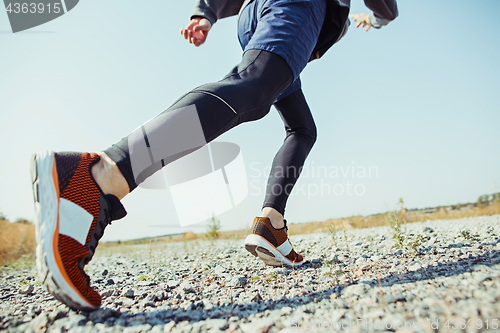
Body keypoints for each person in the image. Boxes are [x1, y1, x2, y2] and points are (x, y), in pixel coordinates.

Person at [30, 0, 398, 311]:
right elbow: (385, 7)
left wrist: (207, 11)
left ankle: (271, 223)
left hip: (259, 17)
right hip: (298, 9)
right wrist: (380, 17)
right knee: (252, 90)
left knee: (301, 128)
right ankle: (101, 175)